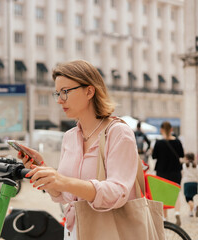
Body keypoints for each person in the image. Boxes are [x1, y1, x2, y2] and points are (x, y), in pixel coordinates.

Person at [17, 60, 139, 239]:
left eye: (65, 92)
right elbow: (65, 197)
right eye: (57, 93)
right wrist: (45, 171)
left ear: (89, 91)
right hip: (74, 230)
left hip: (110, 231)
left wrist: (63, 180)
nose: (59, 100)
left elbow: (118, 192)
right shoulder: (70, 137)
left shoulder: (118, 133)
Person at [152, 121, 184, 225]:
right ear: (171, 130)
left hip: (162, 172)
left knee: (163, 194)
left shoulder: (159, 143)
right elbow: (181, 155)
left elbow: (154, 156)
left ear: (161, 130)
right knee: (176, 192)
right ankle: (177, 212)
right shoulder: (178, 142)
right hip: (175, 171)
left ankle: (165, 218)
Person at [182, 152, 198, 217]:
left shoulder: (184, 165)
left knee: (188, 198)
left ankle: (194, 207)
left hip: (187, 183)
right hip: (195, 183)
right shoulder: (196, 165)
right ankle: (191, 212)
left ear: (186, 158)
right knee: (193, 197)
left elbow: (182, 173)